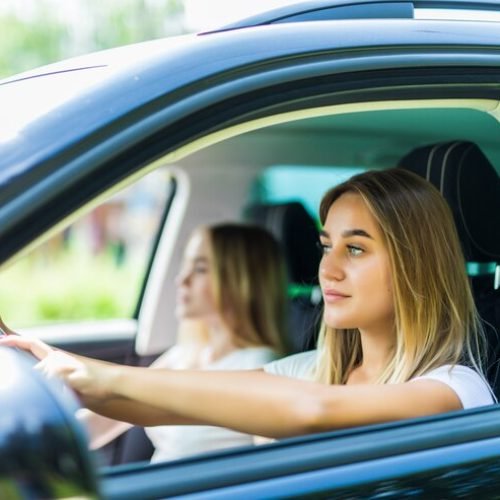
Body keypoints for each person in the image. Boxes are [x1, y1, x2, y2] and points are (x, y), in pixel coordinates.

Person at [1, 168, 494, 442]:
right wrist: (37, 361)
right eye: (326, 246)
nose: (329, 269)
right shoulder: (311, 369)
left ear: (416, 265)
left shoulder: (455, 391)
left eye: (357, 249)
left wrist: (99, 373)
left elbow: (313, 413)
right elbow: (148, 404)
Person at [2, 222, 289, 462]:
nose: (181, 279)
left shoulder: (260, 366)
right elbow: (103, 422)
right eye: (186, 265)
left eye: (200, 269)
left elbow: (272, 465)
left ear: (241, 281)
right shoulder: (183, 355)